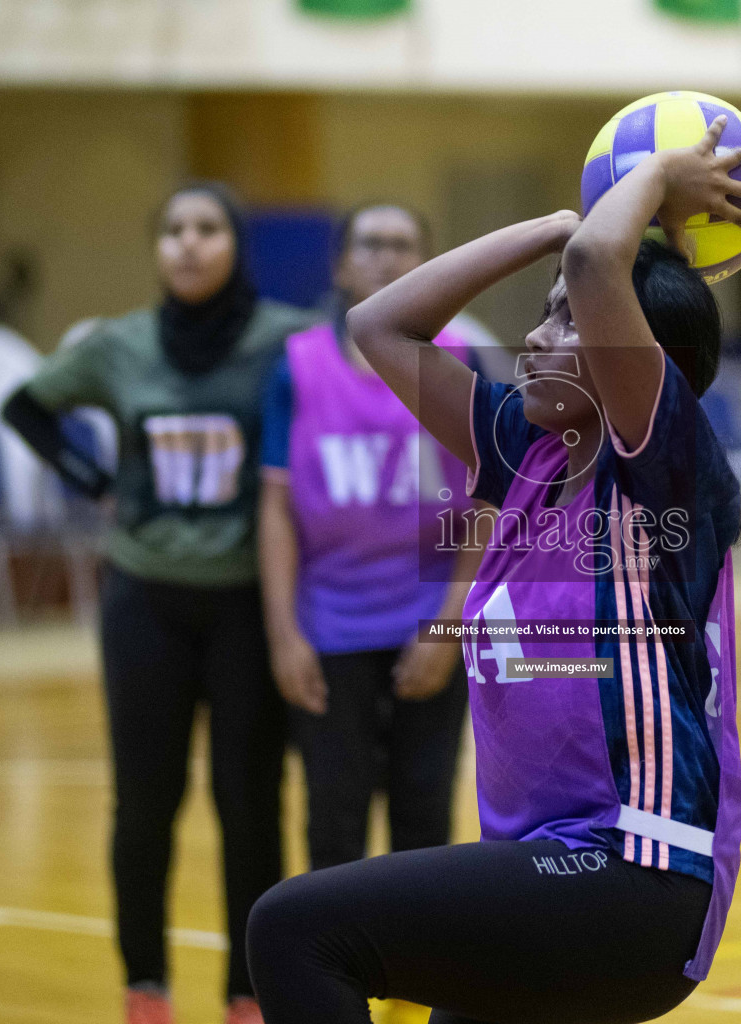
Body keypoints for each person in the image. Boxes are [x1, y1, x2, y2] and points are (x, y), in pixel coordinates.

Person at [246, 117, 741, 1024]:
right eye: (544, 314)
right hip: (548, 874)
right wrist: (555, 227)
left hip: (632, 869)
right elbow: (381, 323)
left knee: (295, 930)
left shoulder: (663, 459)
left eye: (565, 323)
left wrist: (646, 187)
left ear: (643, 359)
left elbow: (605, 268)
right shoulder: (526, 453)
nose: (533, 339)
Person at [2, 182, 311, 1024]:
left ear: (235, 244)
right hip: (144, 598)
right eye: (172, 230)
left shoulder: (287, 339)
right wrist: (90, 481)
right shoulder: (120, 345)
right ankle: (146, 989)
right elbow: (24, 407)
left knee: (249, 805)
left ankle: (249, 995)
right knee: (144, 802)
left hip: (248, 601)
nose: (187, 244)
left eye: (207, 228)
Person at [257, 204, 481, 875]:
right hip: (330, 628)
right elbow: (275, 508)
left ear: (427, 264)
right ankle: (337, 973)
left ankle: (418, 973)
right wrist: (283, 636)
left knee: (424, 818)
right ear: (342, 265)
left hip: (428, 623)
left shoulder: (460, 362)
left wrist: (447, 631)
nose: (385, 257)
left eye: (402, 245)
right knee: (334, 819)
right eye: (370, 244)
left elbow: (486, 507)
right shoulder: (295, 367)